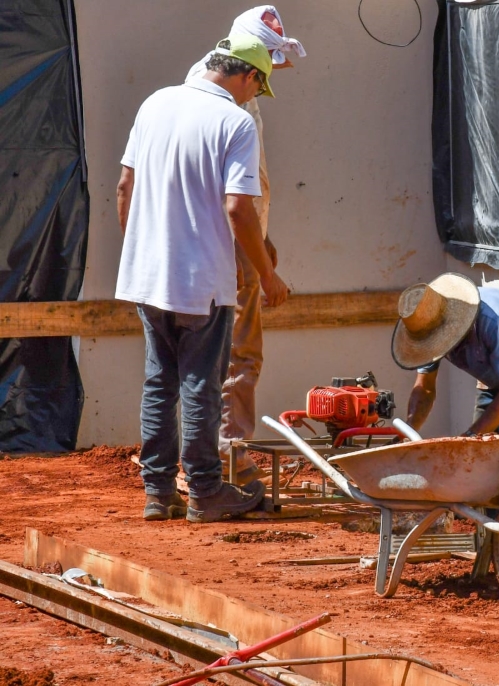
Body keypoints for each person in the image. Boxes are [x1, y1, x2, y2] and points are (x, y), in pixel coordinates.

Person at [116, 35, 289, 523]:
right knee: (200, 385)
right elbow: (239, 208)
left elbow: (124, 186)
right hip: (202, 282)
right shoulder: (234, 121)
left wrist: (143, 252)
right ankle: (206, 491)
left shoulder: (155, 103)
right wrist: (267, 274)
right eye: (259, 87)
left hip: (147, 276)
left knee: (159, 381)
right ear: (249, 76)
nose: (254, 97)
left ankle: (157, 491)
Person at [186, 6, 307, 485]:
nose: (273, 72)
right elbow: (230, 194)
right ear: (248, 60)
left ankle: (209, 459)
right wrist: (258, 259)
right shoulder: (226, 97)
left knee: (216, 352)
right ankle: (228, 458)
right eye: (268, 64)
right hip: (229, 239)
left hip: (236, 235)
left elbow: (244, 182)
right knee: (240, 350)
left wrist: (264, 235)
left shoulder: (219, 84)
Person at [392, 273, 499, 436]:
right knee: (477, 454)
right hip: (492, 375)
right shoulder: (426, 323)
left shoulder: (495, 319)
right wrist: (408, 432)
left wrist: (471, 435)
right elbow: (425, 389)